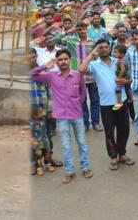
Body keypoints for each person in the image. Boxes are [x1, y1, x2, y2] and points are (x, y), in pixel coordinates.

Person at [31, 49, 93, 184]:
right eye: (60, 59)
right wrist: (45, 66)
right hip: (61, 116)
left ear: (70, 60)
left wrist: (77, 103)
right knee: (65, 145)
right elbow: (32, 75)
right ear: (56, 62)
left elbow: (82, 93)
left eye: (65, 59)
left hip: (77, 114)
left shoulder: (77, 75)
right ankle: (70, 171)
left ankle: (85, 167)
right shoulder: (51, 76)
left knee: (82, 143)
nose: (63, 62)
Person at [80, 39, 135, 171]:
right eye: (100, 47)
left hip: (121, 102)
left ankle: (122, 154)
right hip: (106, 104)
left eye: (106, 47)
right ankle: (113, 156)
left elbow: (130, 78)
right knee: (109, 132)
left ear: (110, 49)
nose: (104, 49)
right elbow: (81, 69)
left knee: (124, 130)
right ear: (97, 50)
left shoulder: (118, 61)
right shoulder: (94, 64)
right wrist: (91, 54)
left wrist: (125, 80)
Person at [30, 106, 55, 176]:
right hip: (37, 143)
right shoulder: (32, 123)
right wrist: (32, 140)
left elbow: (50, 117)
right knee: (38, 155)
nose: (42, 113)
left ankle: (48, 164)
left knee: (47, 153)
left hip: (45, 141)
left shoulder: (43, 119)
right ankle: (39, 167)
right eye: (40, 112)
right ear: (34, 115)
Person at [113, 45, 130, 111]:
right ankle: (131, 98)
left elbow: (122, 70)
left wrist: (118, 78)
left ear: (122, 54)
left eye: (116, 52)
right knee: (128, 87)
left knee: (117, 88)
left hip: (123, 77)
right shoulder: (121, 60)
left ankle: (119, 102)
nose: (114, 54)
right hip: (126, 76)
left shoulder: (121, 61)